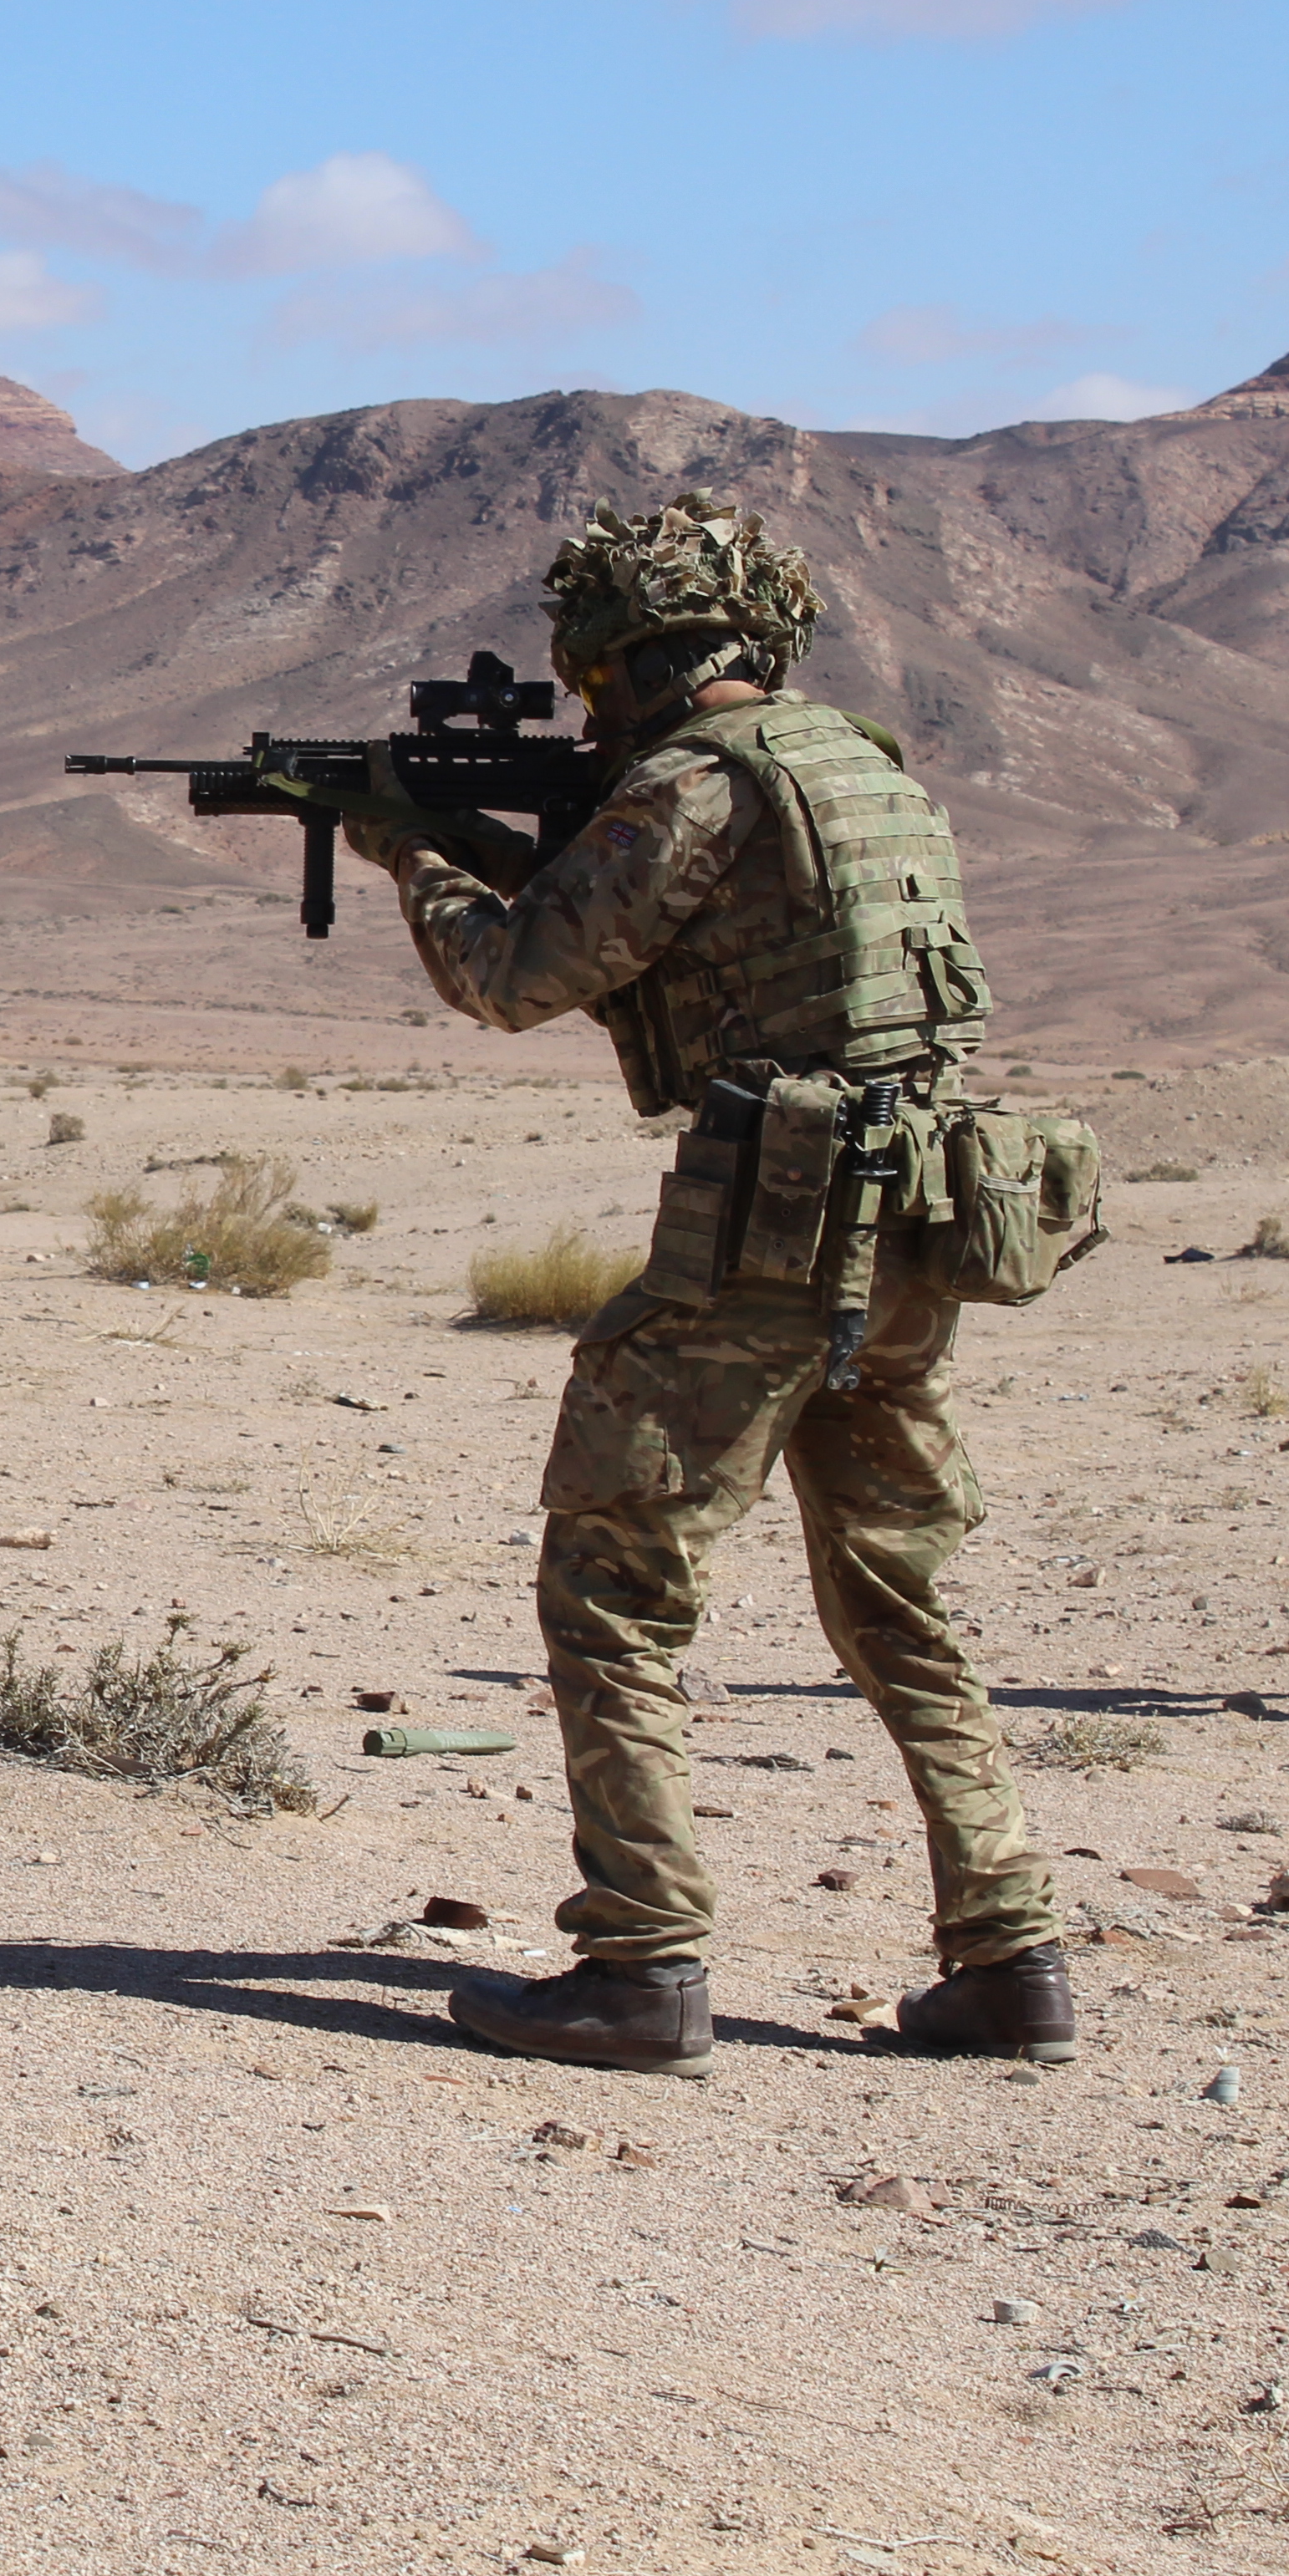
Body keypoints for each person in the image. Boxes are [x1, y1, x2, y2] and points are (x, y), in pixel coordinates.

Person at [339, 491, 1064, 2079]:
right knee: (896, 1596)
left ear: (620, 660)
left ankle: (638, 1962)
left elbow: (513, 977)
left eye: (592, 677)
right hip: (910, 1233)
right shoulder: (865, 771)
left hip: (765, 1234)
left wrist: (407, 848)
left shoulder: (688, 785)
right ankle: (1007, 1954)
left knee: (609, 1582)